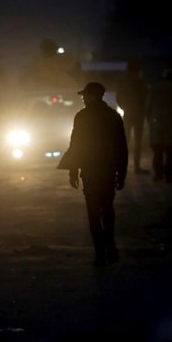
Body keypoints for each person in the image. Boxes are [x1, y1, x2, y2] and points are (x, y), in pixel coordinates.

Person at [57, 82, 128, 267]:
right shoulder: (112, 116)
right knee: (107, 210)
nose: (83, 99)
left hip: (90, 171)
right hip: (107, 171)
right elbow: (122, 147)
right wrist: (122, 173)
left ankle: (101, 254)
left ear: (94, 96)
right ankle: (110, 248)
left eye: (85, 96)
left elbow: (76, 145)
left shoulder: (82, 117)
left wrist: (73, 170)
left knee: (94, 213)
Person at [146, 68, 172, 183]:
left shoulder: (153, 88)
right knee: (170, 151)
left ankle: (158, 175)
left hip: (156, 122)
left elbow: (148, 107)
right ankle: (169, 176)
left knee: (157, 151)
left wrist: (149, 121)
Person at [116, 59, 149, 174]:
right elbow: (145, 97)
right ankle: (137, 167)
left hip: (128, 113)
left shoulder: (123, 81)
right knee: (138, 142)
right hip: (138, 114)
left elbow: (118, 98)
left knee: (125, 141)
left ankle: (121, 166)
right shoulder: (140, 81)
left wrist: (125, 107)